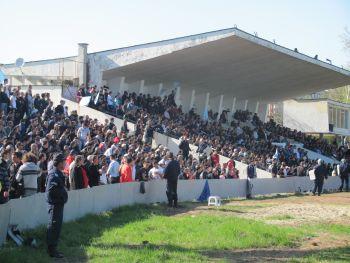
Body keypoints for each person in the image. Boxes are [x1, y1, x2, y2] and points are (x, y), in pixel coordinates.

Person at [46, 153, 68, 258]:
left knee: (57, 227)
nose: (65, 163)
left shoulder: (58, 173)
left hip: (58, 205)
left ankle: (53, 249)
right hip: (55, 205)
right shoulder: (54, 174)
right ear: (59, 163)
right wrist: (62, 195)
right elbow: (51, 192)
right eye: (64, 161)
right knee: (54, 227)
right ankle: (52, 251)